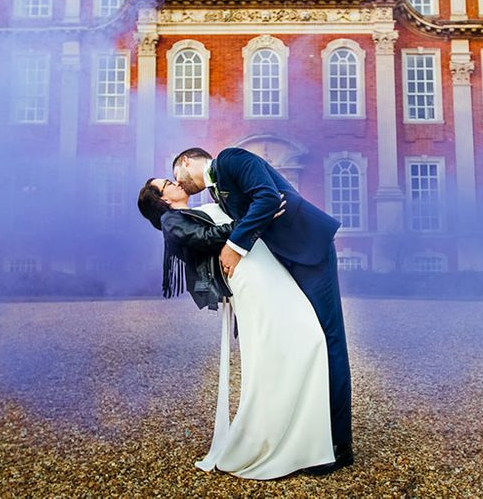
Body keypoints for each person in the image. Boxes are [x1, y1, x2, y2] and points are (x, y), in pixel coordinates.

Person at [137, 178, 335, 479]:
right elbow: (207, 237)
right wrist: (256, 217)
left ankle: (307, 445)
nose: (175, 181)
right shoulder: (171, 221)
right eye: (167, 183)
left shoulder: (200, 207)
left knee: (307, 341)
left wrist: (257, 214)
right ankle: (280, 445)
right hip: (250, 277)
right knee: (287, 349)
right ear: (162, 199)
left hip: (264, 268)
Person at [172, 146, 353, 474]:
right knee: (305, 339)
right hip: (287, 259)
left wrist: (235, 246)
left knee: (328, 341)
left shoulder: (230, 160)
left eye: (176, 177)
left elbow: (267, 198)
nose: (179, 184)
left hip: (310, 251)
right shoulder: (218, 191)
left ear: (186, 161)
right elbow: (264, 204)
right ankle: (308, 438)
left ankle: (340, 445)